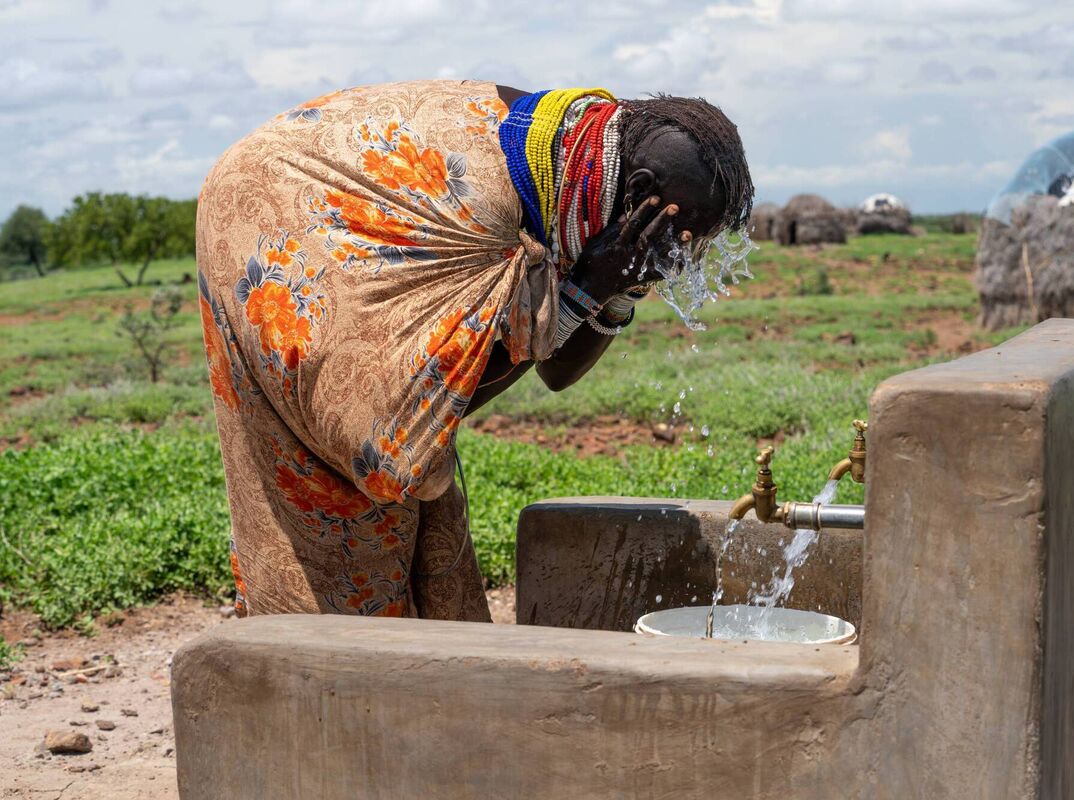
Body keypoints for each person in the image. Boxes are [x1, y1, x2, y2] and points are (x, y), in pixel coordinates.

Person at [195, 80, 753, 620]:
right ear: (640, 192)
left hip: (339, 187)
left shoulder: (577, 180)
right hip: (277, 203)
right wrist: (585, 289)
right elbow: (401, 439)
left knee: (425, 529)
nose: (684, 259)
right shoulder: (494, 212)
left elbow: (557, 372)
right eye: (682, 238)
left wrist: (616, 289)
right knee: (339, 491)